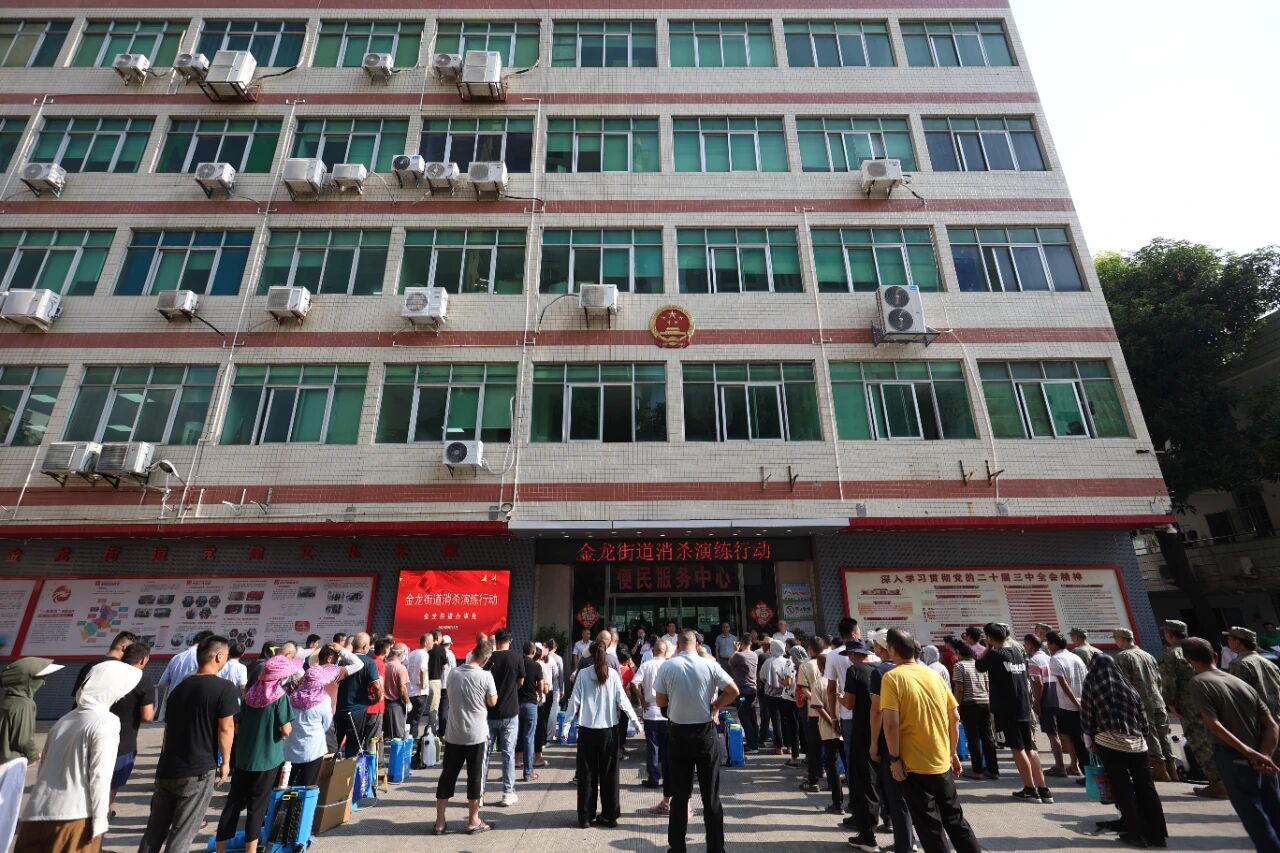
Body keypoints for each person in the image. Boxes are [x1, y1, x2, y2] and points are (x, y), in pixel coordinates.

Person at [14, 660, 142, 853]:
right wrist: (100, 820)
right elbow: (99, 776)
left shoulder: (64, 720)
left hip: (35, 814)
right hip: (74, 816)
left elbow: (43, 768)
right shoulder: (106, 722)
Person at [879, 628, 982, 853]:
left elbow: (891, 724)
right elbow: (954, 717)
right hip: (941, 760)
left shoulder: (892, 678)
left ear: (892, 650)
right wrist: (952, 752)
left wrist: (894, 759)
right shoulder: (933, 675)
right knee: (955, 819)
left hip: (913, 765)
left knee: (929, 826)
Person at [138, 635, 238, 853]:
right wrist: (226, 762)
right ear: (219, 656)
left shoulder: (179, 688)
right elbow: (226, 728)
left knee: (154, 831)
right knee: (182, 833)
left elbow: (167, 730)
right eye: (226, 656)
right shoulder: (225, 688)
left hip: (167, 768)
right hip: (197, 771)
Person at [1186, 635, 1280, 851]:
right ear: (1216, 656)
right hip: (1263, 758)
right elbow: (1271, 725)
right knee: (1274, 810)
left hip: (1234, 756)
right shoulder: (1240, 682)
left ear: (1188, 660)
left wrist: (1248, 752)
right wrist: (1265, 754)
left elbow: (1214, 725)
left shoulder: (1199, 683)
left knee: (1255, 818)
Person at [655, 629, 739, 853]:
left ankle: (677, 848)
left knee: (680, 796)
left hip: (679, 734)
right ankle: (716, 848)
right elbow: (733, 690)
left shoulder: (668, 666)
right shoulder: (710, 665)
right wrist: (716, 704)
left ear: (678, 645)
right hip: (705, 733)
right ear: (696, 644)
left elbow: (660, 700)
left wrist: (675, 703)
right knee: (711, 797)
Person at [1080, 653, 1169, 849]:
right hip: (1138, 744)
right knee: (1146, 787)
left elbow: (1086, 715)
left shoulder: (1092, 683)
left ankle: (1135, 834)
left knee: (1123, 788)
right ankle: (1158, 835)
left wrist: (1088, 740)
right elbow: (1143, 717)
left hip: (1109, 743)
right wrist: (1141, 737)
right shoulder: (1128, 686)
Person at [214, 654, 299, 853]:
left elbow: (237, 727)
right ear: (280, 677)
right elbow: (286, 729)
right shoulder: (279, 696)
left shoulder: (249, 695)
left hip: (244, 757)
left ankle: (220, 849)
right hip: (268, 758)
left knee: (233, 803)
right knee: (257, 807)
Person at [567, 641, 641, 828]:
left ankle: (585, 816)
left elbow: (574, 701)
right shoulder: (613, 674)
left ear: (591, 657)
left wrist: (566, 726)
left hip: (587, 729)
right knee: (610, 774)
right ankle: (609, 815)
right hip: (609, 730)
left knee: (587, 773)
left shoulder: (583, 674)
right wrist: (635, 721)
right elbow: (623, 700)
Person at [977, 622, 1052, 804]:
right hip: (1023, 706)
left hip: (1007, 708)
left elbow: (979, 665)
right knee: (1030, 748)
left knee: (1017, 749)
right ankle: (1044, 790)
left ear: (989, 638)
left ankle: (1030, 789)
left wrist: (988, 647)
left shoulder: (994, 654)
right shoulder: (1018, 652)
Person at [434, 636, 498, 836]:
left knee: (447, 775)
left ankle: (440, 821)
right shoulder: (486, 676)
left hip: (454, 733)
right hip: (476, 734)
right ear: (485, 659)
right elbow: (493, 702)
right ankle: (473, 820)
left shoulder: (454, 673)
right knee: (475, 777)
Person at [1160, 619, 1226, 798]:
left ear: (1169, 634)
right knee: (1216, 738)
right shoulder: (1200, 647)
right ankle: (1226, 779)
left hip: (1188, 704)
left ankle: (1218, 784)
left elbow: (1169, 680)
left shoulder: (1171, 653)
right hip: (1211, 698)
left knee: (1199, 742)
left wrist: (1170, 703)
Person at [284, 645, 363, 787]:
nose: (338, 660)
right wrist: (342, 650)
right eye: (336, 657)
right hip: (324, 721)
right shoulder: (335, 672)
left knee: (298, 761)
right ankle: (324, 787)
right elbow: (358, 664)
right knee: (329, 753)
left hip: (301, 721)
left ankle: (293, 787)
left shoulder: (309, 673)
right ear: (330, 658)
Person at [869, 629, 916, 853]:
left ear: (886, 648)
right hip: (916, 739)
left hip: (891, 741)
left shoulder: (881, 673)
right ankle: (912, 839)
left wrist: (874, 743)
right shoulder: (921, 670)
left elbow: (878, 712)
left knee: (897, 795)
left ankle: (904, 844)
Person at [1114, 627, 1176, 782]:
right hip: (1157, 699)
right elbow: (1159, 679)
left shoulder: (1123, 656)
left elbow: (1123, 683)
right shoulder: (1148, 655)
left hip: (1141, 701)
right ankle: (1172, 768)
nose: (1115, 642)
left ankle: (1159, 769)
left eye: (1116, 639)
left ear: (1121, 639)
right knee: (1163, 734)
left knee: (1150, 734)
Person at [840, 638, 882, 850]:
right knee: (885, 781)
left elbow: (849, 703)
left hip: (863, 731)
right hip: (884, 730)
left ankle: (867, 835)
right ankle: (897, 829)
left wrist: (839, 697)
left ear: (853, 655)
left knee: (864, 781)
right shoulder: (881, 669)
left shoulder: (854, 671)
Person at [106, 642, 154, 808]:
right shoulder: (142, 679)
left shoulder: (106, 673)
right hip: (123, 742)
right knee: (111, 785)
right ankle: (105, 813)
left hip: (93, 734)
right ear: (143, 660)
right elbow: (147, 716)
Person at [484, 627, 524, 807]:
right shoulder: (516, 658)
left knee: (484, 755)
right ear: (510, 641)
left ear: (496, 641)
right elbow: (521, 681)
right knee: (508, 754)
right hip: (510, 711)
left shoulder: (488, 659)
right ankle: (508, 793)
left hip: (489, 712)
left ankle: (478, 794)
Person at [950, 639, 998, 781]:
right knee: (987, 737)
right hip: (985, 702)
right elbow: (988, 686)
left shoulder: (959, 666)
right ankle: (993, 770)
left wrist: (957, 706)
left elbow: (959, 689)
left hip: (969, 704)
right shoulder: (980, 664)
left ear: (958, 653)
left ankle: (977, 770)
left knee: (973, 738)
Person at [0, 657, 63, 764]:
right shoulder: (24, 704)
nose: (44, 681)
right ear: (27, 680)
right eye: (42, 677)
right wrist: (34, 755)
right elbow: (23, 741)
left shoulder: (6, 700)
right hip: (10, 764)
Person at [632, 639, 672, 806]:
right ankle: (668, 780)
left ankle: (653, 778)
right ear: (665, 651)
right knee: (667, 749)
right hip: (667, 712)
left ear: (653, 651)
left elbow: (634, 683)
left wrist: (642, 700)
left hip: (650, 711)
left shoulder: (646, 665)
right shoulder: (670, 666)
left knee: (652, 746)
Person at [1046, 631, 1090, 777]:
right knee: (1075, 738)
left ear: (1054, 644)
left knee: (1077, 741)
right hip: (1082, 702)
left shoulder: (1055, 659)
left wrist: (1075, 703)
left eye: (1048, 643)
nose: (1047, 646)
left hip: (1069, 705)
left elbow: (1063, 684)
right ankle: (1075, 766)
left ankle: (1086, 772)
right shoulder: (1075, 657)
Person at [825, 618, 856, 812]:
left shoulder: (834, 655)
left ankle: (855, 802)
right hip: (869, 713)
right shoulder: (871, 655)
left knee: (851, 760)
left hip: (847, 714)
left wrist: (833, 716)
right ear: (854, 633)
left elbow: (831, 688)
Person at [1024, 633, 1066, 777]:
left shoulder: (1034, 660)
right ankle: (1072, 765)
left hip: (1046, 700)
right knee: (1061, 734)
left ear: (1030, 645)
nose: (1025, 647)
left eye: (1025, 644)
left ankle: (1060, 766)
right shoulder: (1049, 658)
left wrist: (1037, 703)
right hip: (1058, 698)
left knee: (1052, 734)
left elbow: (1039, 684)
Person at [334, 632, 382, 758]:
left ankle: (332, 767)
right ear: (365, 647)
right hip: (357, 711)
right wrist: (376, 699)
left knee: (335, 744)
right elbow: (377, 686)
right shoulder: (369, 663)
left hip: (339, 709)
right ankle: (349, 769)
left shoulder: (342, 662)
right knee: (353, 747)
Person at [1227, 626, 1280, 720]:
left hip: (1261, 717)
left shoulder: (1238, 664)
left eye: (1229, 638)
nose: (1228, 641)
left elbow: (1241, 695)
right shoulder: (1267, 661)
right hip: (1276, 714)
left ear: (1238, 642)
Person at [796, 636, 828, 795]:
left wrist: (815, 699)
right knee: (831, 747)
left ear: (809, 649)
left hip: (814, 711)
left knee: (814, 746)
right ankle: (830, 777)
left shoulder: (805, 665)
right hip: (831, 709)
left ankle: (813, 780)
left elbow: (803, 689)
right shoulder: (829, 661)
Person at [516, 641, 547, 783]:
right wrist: (539, 694)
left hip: (516, 703)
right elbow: (540, 685)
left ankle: (512, 768)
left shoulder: (517, 663)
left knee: (515, 736)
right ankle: (528, 773)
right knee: (529, 738)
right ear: (533, 652)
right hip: (531, 704)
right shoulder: (536, 665)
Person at [759, 638, 795, 759]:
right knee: (786, 720)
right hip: (786, 695)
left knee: (776, 721)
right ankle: (789, 746)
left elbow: (762, 677)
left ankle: (778, 747)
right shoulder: (788, 661)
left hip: (771, 695)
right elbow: (792, 677)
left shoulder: (768, 661)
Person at [72, 631, 137, 693]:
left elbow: (76, 695)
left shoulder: (88, 666)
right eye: (132, 650)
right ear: (124, 648)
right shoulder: (122, 669)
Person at [156, 630, 213, 700]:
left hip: (172, 701)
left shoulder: (176, 657)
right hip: (192, 701)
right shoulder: (203, 658)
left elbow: (162, 683)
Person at [728, 636, 760, 752]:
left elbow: (730, 662)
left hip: (742, 691)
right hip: (753, 690)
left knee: (744, 717)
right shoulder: (754, 655)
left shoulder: (739, 655)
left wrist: (735, 650)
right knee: (752, 716)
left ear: (741, 643)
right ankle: (754, 742)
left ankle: (751, 745)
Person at [538, 638, 564, 750]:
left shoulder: (541, 656)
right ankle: (550, 735)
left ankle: (542, 735)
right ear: (556, 648)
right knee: (553, 712)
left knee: (542, 712)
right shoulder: (558, 658)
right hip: (554, 688)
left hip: (542, 688)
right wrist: (562, 689)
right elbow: (560, 675)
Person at [406, 634, 432, 742]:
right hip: (419, 692)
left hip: (410, 690)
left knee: (409, 719)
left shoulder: (412, 653)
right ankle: (413, 742)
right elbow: (422, 669)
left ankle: (407, 740)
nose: (432, 644)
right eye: (431, 641)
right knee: (416, 720)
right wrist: (422, 683)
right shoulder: (424, 654)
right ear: (425, 643)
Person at [364, 639, 389, 744]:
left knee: (366, 737)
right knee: (373, 739)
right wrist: (380, 696)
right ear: (385, 650)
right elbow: (379, 683)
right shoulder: (380, 663)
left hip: (367, 705)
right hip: (376, 706)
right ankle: (372, 754)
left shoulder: (370, 661)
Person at [383, 643, 410, 740]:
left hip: (384, 703)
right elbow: (402, 688)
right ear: (400, 653)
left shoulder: (384, 665)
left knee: (385, 735)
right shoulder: (400, 668)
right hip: (396, 704)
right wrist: (407, 702)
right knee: (397, 736)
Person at [427, 630, 448, 735]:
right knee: (433, 708)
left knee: (426, 707)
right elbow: (445, 666)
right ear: (438, 638)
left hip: (425, 681)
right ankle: (432, 732)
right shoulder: (441, 649)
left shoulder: (427, 649)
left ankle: (428, 729)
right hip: (435, 681)